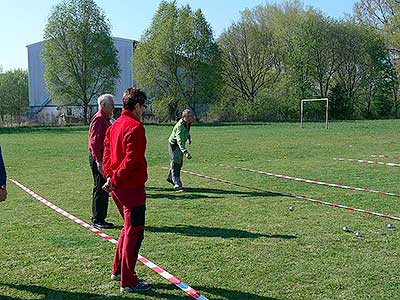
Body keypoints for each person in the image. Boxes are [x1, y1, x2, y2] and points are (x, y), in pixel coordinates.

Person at [102, 87, 151, 293]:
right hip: (130, 188)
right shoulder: (135, 127)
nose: (144, 110)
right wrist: (115, 178)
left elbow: (106, 153)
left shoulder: (114, 126)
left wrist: (110, 177)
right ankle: (128, 280)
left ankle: (119, 271)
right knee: (135, 232)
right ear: (137, 105)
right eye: (143, 106)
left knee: (127, 229)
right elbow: (131, 159)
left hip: (118, 188)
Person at [88, 94, 115, 229]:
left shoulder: (106, 119)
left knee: (103, 186)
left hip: (103, 157)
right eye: (111, 104)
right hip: (98, 157)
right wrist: (98, 161)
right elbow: (94, 142)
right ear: (103, 105)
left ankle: (100, 217)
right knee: (100, 187)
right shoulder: (99, 119)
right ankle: (98, 219)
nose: (114, 107)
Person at [167, 109, 194, 192]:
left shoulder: (187, 123)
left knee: (179, 163)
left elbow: (186, 131)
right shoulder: (180, 126)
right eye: (188, 116)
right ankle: (177, 185)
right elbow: (179, 141)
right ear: (183, 117)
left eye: (191, 116)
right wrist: (185, 152)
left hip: (180, 144)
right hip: (174, 145)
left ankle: (170, 177)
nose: (190, 118)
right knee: (176, 164)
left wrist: (188, 137)